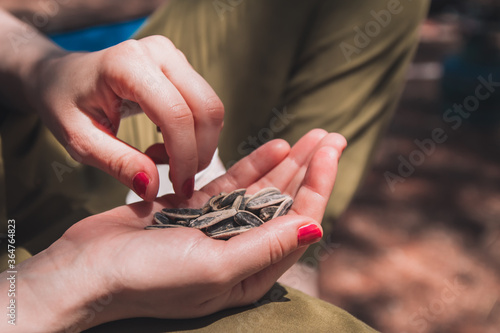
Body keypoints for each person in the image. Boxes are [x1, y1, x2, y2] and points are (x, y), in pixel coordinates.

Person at [0, 6, 376, 332]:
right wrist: (42, 292)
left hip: (36, 128)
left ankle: (287, 264)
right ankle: (285, 266)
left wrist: (45, 69)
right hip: (27, 264)